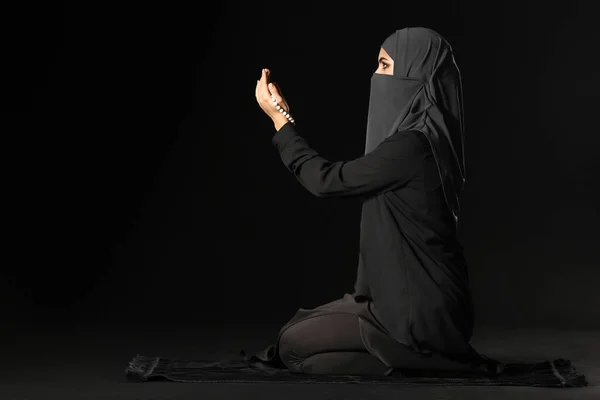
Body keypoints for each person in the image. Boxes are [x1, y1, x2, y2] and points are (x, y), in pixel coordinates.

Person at [253, 27, 502, 377]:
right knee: (297, 340)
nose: (376, 76)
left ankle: (433, 360)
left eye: (385, 66)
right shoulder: (430, 139)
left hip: (418, 312)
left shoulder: (412, 147)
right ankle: (424, 357)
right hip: (431, 305)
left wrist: (280, 120)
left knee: (292, 346)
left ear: (414, 73)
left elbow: (326, 181)